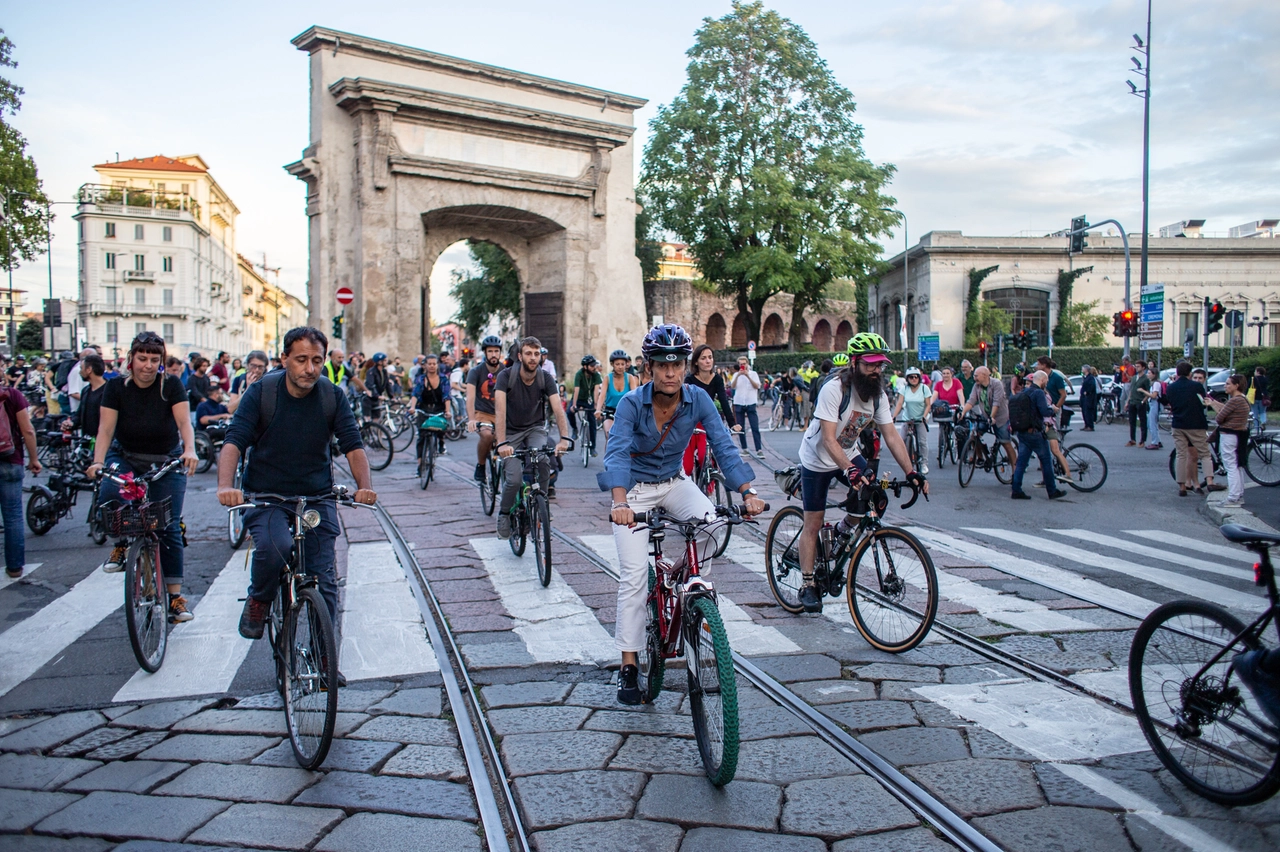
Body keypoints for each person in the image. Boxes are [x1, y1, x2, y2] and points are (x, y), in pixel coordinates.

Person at [602, 324, 765, 702]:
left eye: (677, 364)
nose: (671, 372)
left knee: (713, 523)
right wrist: (621, 502)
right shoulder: (630, 403)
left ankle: (688, 591)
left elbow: (723, 444)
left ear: (686, 366)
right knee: (633, 578)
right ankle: (628, 664)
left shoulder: (698, 399)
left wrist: (748, 490)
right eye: (662, 365)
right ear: (649, 368)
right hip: (637, 492)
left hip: (675, 481)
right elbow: (617, 452)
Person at [219, 327, 376, 680]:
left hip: (316, 496)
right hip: (267, 496)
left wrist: (364, 487)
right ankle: (259, 598)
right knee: (276, 548)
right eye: (301, 360)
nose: (310, 368)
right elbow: (235, 441)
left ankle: (324, 660)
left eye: (317, 360)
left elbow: (352, 444)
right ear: (284, 359)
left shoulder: (332, 396)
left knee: (326, 579)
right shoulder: (262, 393)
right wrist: (226, 486)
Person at [795, 333, 926, 612]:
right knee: (813, 522)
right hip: (818, 459)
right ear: (854, 364)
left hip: (849, 452)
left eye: (880, 365)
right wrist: (849, 472)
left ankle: (843, 530)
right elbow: (829, 439)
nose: (876, 370)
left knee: (876, 497)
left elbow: (891, 435)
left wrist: (912, 472)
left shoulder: (878, 395)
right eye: (870, 364)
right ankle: (807, 584)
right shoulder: (834, 390)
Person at [86, 332, 198, 621]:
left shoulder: (171, 385)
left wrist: (190, 450)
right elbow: (106, 430)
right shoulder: (115, 387)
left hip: (166, 459)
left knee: (168, 525)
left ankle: (175, 597)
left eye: (154, 360)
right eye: (142, 359)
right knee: (110, 492)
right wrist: (98, 461)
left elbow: (184, 422)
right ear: (131, 360)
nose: (148, 365)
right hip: (126, 456)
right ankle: (122, 544)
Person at [494, 337, 570, 539]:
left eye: (537, 354)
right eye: (528, 353)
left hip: (534, 429)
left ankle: (542, 503)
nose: (533, 358)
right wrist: (501, 443)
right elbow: (499, 411)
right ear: (520, 356)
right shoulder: (505, 376)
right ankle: (503, 514)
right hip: (510, 432)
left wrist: (564, 438)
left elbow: (558, 409)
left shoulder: (545, 378)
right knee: (514, 478)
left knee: (544, 460)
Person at [0, 376, 42, 579]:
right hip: (11, 459)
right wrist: (34, 459)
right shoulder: (12, 395)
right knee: (13, 515)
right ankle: (15, 566)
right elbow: (27, 430)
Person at [1009, 371, 1067, 500]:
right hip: (1035, 433)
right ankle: (1052, 491)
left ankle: (1016, 489)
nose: (1046, 383)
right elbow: (1044, 411)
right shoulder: (1039, 393)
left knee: (1021, 462)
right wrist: (1053, 409)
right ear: (1042, 380)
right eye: (1046, 381)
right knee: (1046, 461)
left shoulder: (1024, 392)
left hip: (1022, 432)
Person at [684, 344, 740, 476]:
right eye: (703, 358)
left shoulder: (717, 379)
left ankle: (709, 483)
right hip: (691, 422)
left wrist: (733, 423)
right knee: (686, 468)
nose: (708, 361)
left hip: (708, 421)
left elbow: (724, 401)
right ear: (696, 361)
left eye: (710, 357)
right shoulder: (689, 380)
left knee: (705, 457)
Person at [1166, 360, 1217, 497]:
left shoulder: (1171, 388)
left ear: (1177, 373)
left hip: (1178, 424)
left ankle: (1182, 486)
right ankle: (1210, 481)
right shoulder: (1196, 387)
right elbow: (1202, 403)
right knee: (1205, 454)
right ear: (1190, 373)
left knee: (1181, 455)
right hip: (1196, 424)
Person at [959, 366, 1017, 469]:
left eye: (976, 376)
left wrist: (992, 417)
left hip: (1000, 417)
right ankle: (980, 458)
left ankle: (1015, 470)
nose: (974, 378)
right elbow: (971, 400)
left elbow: (996, 402)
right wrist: (963, 412)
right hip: (986, 416)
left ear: (985, 375)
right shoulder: (977, 386)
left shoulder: (996, 384)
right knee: (974, 435)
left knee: (1005, 443)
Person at [1207, 374, 1250, 509]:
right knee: (1237, 465)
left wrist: (1214, 408)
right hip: (1239, 434)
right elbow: (1226, 410)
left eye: (1228, 384)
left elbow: (1220, 418)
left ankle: (1232, 497)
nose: (1225, 386)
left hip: (1229, 434)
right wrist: (1213, 403)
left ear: (1236, 386)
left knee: (1230, 465)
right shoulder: (1243, 399)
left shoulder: (1234, 401)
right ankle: (1238, 494)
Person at [466, 336, 505, 482]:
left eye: (496, 351)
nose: (494, 354)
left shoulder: (506, 371)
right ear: (485, 353)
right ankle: (481, 465)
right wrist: (471, 419)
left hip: (502, 414)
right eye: (490, 351)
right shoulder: (475, 372)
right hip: (482, 413)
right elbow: (470, 398)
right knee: (487, 436)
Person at [408, 352, 451, 459]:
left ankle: (441, 442)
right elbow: (415, 394)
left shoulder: (444, 379)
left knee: (441, 428)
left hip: (438, 408)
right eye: (429, 364)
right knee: (421, 437)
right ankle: (419, 465)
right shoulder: (421, 379)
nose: (432, 366)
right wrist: (412, 407)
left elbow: (447, 396)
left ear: (437, 365)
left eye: (434, 364)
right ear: (425, 365)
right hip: (424, 408)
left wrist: (448, 410)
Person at [1036, 356, 1072, 481]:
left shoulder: (1055, 377)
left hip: (1053, 409)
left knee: (1053, 441)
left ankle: (1062, 469)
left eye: (1038, 364)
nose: (1036, 366)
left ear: (1044, 365)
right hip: (1045, 408)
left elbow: (1063, 395)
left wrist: (1056, 407)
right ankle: (1047, 475)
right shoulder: (1040, 377)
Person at [892, 367, 932, 475]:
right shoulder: (904, 389)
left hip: (920, 419)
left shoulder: (924, 389)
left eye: (915, 377)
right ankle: (907, 463)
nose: (913, 379)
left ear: (919, 378)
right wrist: (894, 416)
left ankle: (923, 463)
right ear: (907, 379)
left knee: (922, 442)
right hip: (907, 418)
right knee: (902, 440)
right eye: (911, 377)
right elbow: (899, 404)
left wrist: (924, 417)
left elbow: (928, 405)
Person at [597, 350, 638, 443]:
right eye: (617, 364)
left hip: (625, 412)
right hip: (610, 411)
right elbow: (602, 396)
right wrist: (598, 409)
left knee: (627, 438)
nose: (620, 367)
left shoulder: (630, 378)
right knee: (609, 435)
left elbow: (635, 396)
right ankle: (608, 457)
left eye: (622, 364)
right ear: (612, 364)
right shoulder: (607, 378)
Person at [729, 354, 765, 460]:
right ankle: (744, 448)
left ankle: (759, 449)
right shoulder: (736, 375)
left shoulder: (753, 374)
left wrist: (747, 376)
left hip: (750, 402)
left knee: (755, 427)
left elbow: (757, 386)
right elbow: (732, 386)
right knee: (741, 427)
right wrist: (739, 375)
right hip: (739, 402)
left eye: (744, 364)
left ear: (747, 364)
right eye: (740, 364)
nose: (742, 366)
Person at [68, 354, 107, 440]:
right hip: (87, 442)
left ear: (89, 369)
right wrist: (71, 423)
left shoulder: (109, 391)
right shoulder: (85, 390)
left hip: (104, 443)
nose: (80, 372)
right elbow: (79, 415)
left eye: (81, 368)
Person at [569, 354, 602, 454]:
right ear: (585, 367)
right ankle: (575, 429)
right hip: (578, 399)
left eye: (595, 365)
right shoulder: (579, 374)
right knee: (569, 412)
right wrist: (574, 405)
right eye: (592, 366)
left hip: (589, 400)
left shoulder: (596, 375)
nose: (594, 368)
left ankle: (592, 447)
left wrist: (596, 405)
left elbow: (596, 390)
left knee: (592, 422)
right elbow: (576, 390)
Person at [1125, 360, 1151, 447]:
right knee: (1132, 421)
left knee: (1143, 421)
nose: (1136, 368)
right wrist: (1127, 402)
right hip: (1132, 401)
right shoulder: (1134, 377)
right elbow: (1131, 391)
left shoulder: (1146, 379)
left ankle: (1142, 440)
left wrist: (1143, 401)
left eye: (1138, 366)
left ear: (1143, 367)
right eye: (1136, 366)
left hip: (1140, 402)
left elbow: (1148, 391)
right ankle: (1132, 439)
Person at [1141, 366, 1163, 449]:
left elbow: (1154, 395)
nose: (1147, 374)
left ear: (1154, 375)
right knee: (1152, 423)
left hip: (1155, 404)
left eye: (1149, 373)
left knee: (1152, 424)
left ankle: (1155, 442)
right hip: (1152, 404)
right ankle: (1158, 440)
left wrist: (1143, 391)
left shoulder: (1156, 384)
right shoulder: (1153, 383)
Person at [1079, 365, 1099, 431]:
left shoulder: (1090, 378)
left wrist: (1087, 392)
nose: (1082, 370)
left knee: (1088, 412)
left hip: (1089, 398)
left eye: (1083, 369)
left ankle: (1090, 426)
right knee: (1084, 412)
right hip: (1084, 398)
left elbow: (1092, 386)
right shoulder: (1086, 377)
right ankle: (1086, 425)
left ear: (1086, 370)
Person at [1251, 366, 1269, 431]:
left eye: (1255, 371)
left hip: (1254, 398)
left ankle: (1257, 428)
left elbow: (1248, 387)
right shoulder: (1265, 379)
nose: (1254, 372)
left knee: (1255, 413)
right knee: (1262, 412)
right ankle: (1263, 422)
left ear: (1258, 372)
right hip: (1263, 398)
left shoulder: (1253, 379)